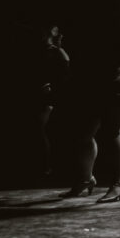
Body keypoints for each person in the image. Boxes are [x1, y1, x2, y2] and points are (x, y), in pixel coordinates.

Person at [63, 0, 120, 203]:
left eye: (119, 4)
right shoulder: (103, 25)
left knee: (112, 131)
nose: (114, 7)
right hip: (99, 80)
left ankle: (119, 183)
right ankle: (85, 179)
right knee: (84, 133)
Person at [35, 24, 70, 176]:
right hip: (41, 95)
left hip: (50, 97)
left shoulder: (57, 52)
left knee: (42, 129)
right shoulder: (43, 51)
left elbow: (66, 74)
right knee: (39, 130)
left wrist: (53, 87)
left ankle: (47, 166)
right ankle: (45, 166)